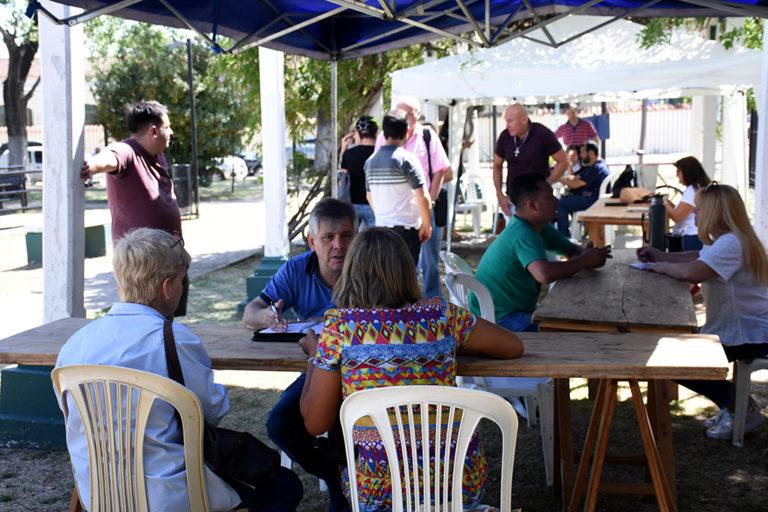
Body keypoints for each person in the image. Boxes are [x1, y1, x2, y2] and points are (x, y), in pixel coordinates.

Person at [55, 228, 302, 512]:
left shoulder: (74, 347)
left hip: (99, 493)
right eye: (183, 281)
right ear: (167, 286)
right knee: (285, 486)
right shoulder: (173, 339)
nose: (183, 288)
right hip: (171, 495)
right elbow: (210, 410)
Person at [298, 227, 524, 510]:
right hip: (457, 485)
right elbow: (512, 346)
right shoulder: (442, 317)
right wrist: (439, 343)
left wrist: (315, 356)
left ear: (352, 271)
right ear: (407, 269)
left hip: (379, 491)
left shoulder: (340, 328)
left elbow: (315, 423)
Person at [242, 198, 355, 512]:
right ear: (312, 242)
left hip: (364, 374)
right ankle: (336, 476)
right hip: (318, 368)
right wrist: (267, 317)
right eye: (328, 237)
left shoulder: (366, 266)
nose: (338, 245)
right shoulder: (296, 268)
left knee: (342, 424)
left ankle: (344, 488)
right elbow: (251, 313)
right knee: (278, 423)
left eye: (346, 236)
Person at [637, 183, 768, 440]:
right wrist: (660, 256)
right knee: (675, 356)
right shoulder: (732, 238)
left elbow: (692, 272)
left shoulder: (731, 243)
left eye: (699, 209)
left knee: (672, 362)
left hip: (749, 334)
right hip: (748, 328)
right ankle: (735, 406)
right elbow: (696, 257)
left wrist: (657, 266)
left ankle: (742, 409)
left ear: (714, 213)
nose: (694, 214)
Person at [79, 100, 189, 317]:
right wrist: (90, 167)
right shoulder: (127, 150)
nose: (172, 131)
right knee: (146, 319)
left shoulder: (158, 155)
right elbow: (110, 158)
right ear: (154, 130)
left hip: (171, 256)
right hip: (144, 265)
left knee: (170, 321)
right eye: (168, 127)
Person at [475, 173, 611, 332]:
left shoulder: (540, 227)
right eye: (550, 197)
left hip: (511, 311)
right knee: (569, 329)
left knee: (575, 321)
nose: (557, 201)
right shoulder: (522, 234)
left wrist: (592, 256)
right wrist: (585, 261)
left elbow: (572, 250)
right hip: (496, 318)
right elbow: (544, 274)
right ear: (533, 206)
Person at [375, 96, 452, 298]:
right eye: (401, 113)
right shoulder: (383, 139)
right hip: (396, 216)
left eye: (408, 114)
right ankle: (407, 303)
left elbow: (440, 170)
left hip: (424, 208)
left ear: (417, 115)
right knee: (403, 264)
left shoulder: (427, 135)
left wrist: (431, 202)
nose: (405, 118)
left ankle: (432, 301)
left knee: (429, 261)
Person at [366, 109, 432, 265]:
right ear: (407, 132)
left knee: (385, 279)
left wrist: (384, 214)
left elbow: (369, 196)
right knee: (406, 281)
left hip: (381, 229)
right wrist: (426, 224)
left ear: (384, 132)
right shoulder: (408, 159)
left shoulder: (370, 162)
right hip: (406, 231)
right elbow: (422, 196)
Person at [493, 104, 568, 217]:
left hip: (538, 199)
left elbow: (563, 162)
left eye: (510, 121)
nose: (507, 125)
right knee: (518, 233)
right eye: (506, 121)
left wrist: (547, 183)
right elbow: (497, 165)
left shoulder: (542, 133)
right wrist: (499, 194)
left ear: (523, 119)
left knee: (538, 233)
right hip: (513, 199)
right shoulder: (505, 136)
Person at [556, 141, 610, 238]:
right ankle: (570, 234)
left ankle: (563, 237)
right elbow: (576, 178)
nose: (581, 155)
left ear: (591, 153)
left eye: (582, 152)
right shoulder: (596, 165)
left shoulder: (596, 168)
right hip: (593, 199)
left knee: (561, 204)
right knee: (566, 199)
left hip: (594, 201)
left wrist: (556, 177)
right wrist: (566, 177)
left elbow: (574, 185)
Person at [665, 156, 711, 251]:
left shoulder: (692, 191)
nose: (676, 175)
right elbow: (682, 211)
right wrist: (668, 203)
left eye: (678, 171)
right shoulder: (699, 187)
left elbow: (678, 217)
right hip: (697, 236)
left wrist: (663, 203)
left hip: (691, 237)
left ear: (687, 172)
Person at [340, 116, 378, 230]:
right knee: (376, 242)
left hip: (353, 204)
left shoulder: (349, 154)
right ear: (376, 132)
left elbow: (343, 176)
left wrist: (343, 149)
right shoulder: (379, 153)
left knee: (352, 243)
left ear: (358, 134)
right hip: (375, 204)